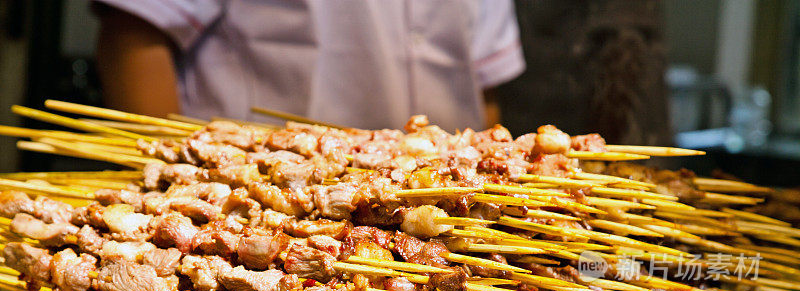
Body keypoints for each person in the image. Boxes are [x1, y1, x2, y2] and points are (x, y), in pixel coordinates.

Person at [92, 0, 525, 131]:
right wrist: (160, 176)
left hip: (438, 227)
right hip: (260, 218)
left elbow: (482, 86)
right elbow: (135, 32)